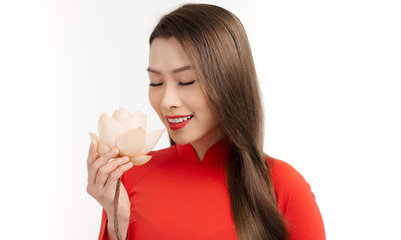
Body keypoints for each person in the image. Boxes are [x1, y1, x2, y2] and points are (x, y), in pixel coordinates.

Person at [86, 3, 325, 240]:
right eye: (156, 82)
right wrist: (117, 221)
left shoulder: (284, 187)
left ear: (228, 81)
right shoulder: (129, 178)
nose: (167, 101)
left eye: (186, 81)